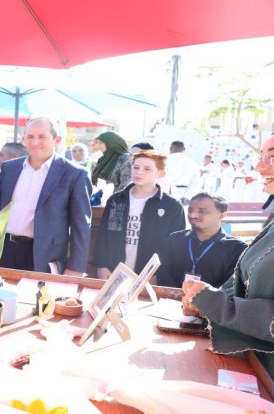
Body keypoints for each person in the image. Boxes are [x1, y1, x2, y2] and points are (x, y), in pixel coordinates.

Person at [182, 133, 274, 378]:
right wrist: (204, 300)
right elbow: (247, 279)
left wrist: (217, 305)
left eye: (272, 157)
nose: (259, 166)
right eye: (261, 156)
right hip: (252, 363)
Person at [0, 117, 92, 275]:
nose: (34, 142)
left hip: (44, 256)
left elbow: (81, 225)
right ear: (23, 139)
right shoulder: (9, 168)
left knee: (39, 292)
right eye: (30, 136)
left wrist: (76, 267)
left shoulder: (75, 174)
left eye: (42, 137)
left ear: (56, 140)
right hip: (4, 251)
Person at [92, 150, 186, 278]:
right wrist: (101, 265)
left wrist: (160, 275)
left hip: (149, 276)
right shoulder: (117, 200)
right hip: (113, 271)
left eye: (147, 169)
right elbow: (103, 235)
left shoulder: (172, 206)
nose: (139, 172)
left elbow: (175, 246)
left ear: (161, 173)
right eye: (136, 167)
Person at [157, 193, 246, 288]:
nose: (193, 215)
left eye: (202, 211)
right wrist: (178, 295)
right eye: (190, 210)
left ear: (222, 215)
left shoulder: (237, 249)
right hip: (171, 297)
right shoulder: (174, 239)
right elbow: (163, 272)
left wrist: (204, 295)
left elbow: (230, 285)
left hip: (213, 298)